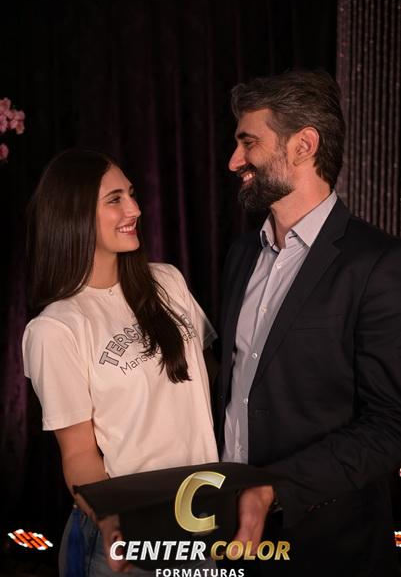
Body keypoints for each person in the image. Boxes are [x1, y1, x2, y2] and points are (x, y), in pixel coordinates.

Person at [215, 70, 401, 576]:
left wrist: (273, 489)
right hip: (230, 538)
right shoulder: (241, 254)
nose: (234, 160)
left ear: (303, 145)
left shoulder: (377, 264)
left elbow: (390, 425)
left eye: (248, 142)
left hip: (329, 547)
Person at [22, 149, 218, 576]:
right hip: (127, 533)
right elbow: (78, 452)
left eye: (132, 194)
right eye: (115, 199)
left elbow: (206, 382)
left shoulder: (168, 281)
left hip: (201, 518)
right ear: (74, 214)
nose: (135, 209)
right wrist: (114, 525)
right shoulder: (56, 327)